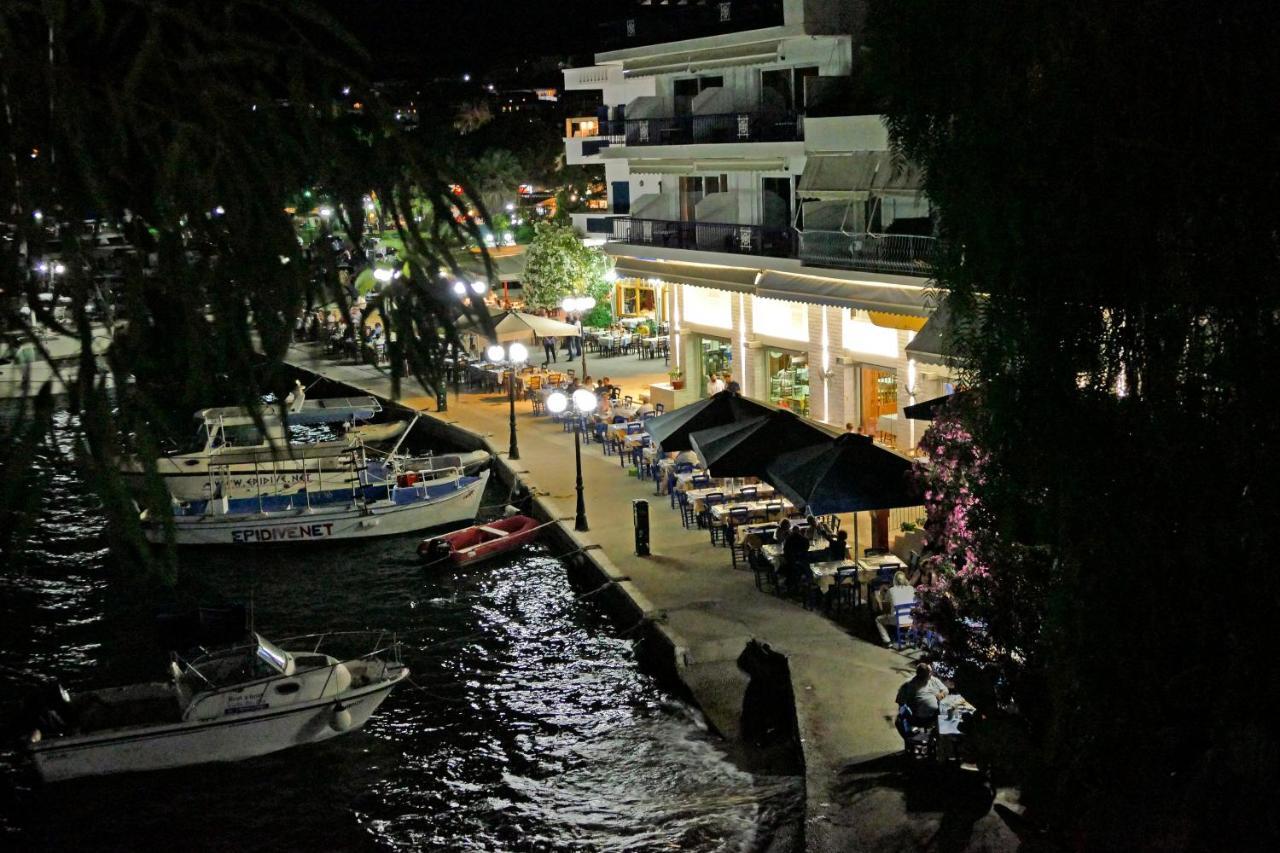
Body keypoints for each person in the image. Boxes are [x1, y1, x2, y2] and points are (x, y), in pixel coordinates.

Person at [877, 572, 918, 645]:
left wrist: (880, 596)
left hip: (897, 619)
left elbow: (885, 608)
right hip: (912, 619)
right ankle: (906, 633)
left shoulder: (891, 590)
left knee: (878, 620)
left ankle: (887, 641)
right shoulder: (912, 589)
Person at [782, 521, 811, 592]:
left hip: (791, 562)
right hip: (802, 562)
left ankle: (791, 583)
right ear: (799, 531)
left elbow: (785, 551)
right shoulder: (804, 540)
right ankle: (807, 582)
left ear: (792, 532)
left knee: (786, 565)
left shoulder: (788, 540)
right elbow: (806, 549)